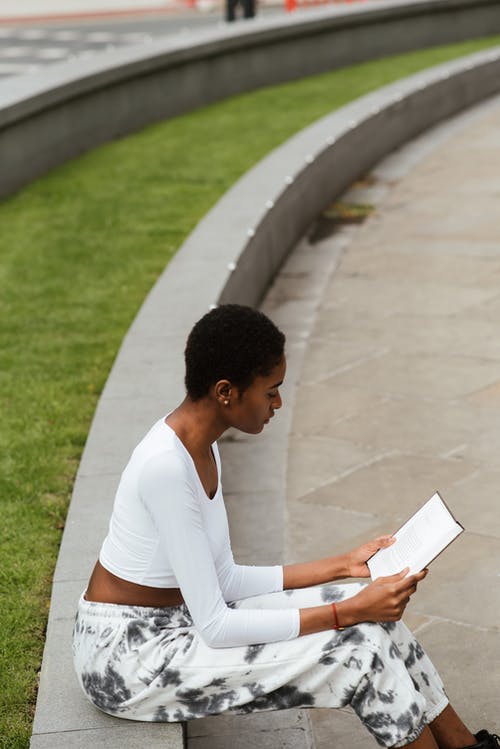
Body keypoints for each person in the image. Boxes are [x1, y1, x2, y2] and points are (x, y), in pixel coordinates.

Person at [73, 304, 498, 748]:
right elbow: (216, 625)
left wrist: (343, 568)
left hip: (178, 622)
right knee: (359, 649)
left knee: (360, 602)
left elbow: (225, 579)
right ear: (225, 392)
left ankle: (465, 746)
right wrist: (348, 615)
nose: (278, 403)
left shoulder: (202, 446)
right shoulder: (166, 467)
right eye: (271, 391)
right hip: (130, 659)